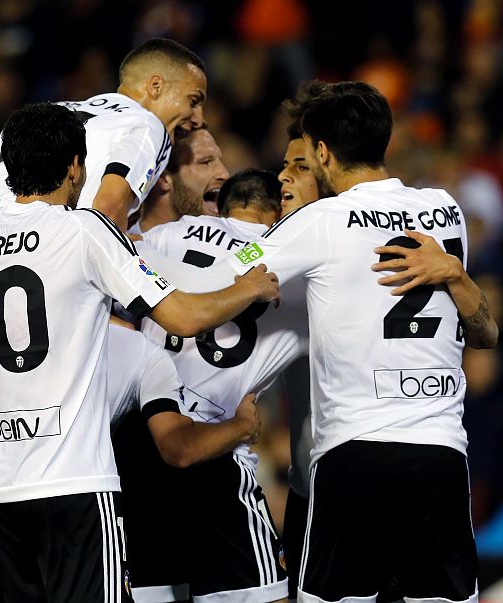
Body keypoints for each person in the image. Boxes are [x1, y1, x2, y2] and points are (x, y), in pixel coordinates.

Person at [0, 102, 280, 603]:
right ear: (76, 165)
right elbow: (182, 317)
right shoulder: (85, 231)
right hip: (73, 483)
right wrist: (247, 289)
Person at [154, 80, 497, 603]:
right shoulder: (446, 210)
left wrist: (232, 247)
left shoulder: (320, 222)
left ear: (322, 151)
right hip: (441, 452)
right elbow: (481, 330)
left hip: (353, 455)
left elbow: (236, 266)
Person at [0, 317, 263, 603]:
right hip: (58, 480)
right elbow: (179, 447)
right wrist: (242, 426)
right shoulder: (146, 352)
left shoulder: (40, 325)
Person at [139, 169, 297, 603]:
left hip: (136, 445)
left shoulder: (164, 237)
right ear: (278, 210)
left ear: (222, 206)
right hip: (213, 450)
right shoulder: (287, 257)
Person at [0, 37, 207, 231]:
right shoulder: (147, 124)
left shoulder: (54, 109)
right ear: (156, 86)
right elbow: (108, 209)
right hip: (27, 250)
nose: (199, 118)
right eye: (193, 100)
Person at [275, 116, 320, 603]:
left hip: (355, 483)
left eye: (300, 166)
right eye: (283, 165)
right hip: (306, 489)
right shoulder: (278, 249)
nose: (283, 176)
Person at [129, 127, 229, 234]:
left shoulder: (239, 246)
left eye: (220, 160)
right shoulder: (119, 248)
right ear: (163, 179)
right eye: (205, 162)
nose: (224, 174)